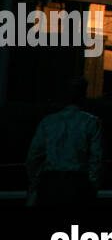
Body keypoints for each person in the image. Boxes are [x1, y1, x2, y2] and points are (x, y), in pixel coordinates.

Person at [26, 77, 102, 206]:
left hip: (50, 182)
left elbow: (33, 156)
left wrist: (35, 183)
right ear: (83, 96)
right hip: (78, 183)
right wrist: (92, 185)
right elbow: (96, 158)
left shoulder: (48, 122)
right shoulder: (91, 122)